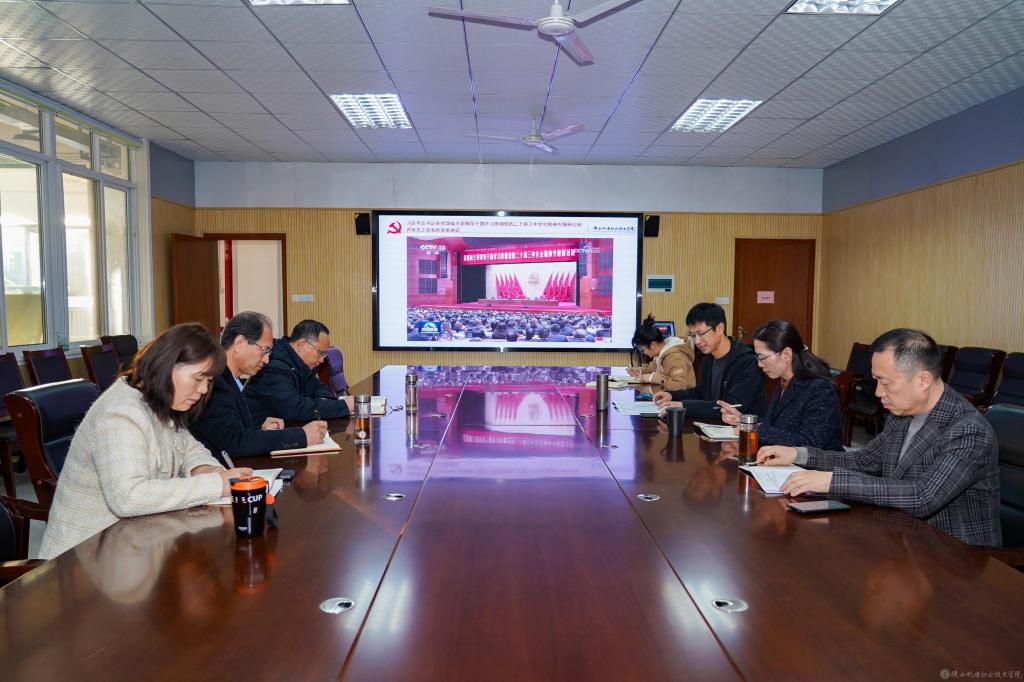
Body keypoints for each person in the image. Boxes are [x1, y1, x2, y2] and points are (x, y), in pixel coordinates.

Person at [757, 328, 1001, 546]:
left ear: (923, 380)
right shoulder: (901, 414)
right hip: (901, 535)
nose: (877, 392)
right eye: (875, 381)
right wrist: (798, 454)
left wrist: (831, 482)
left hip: (955, 556)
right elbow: (864, 461)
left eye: (885, 382)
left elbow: (923, 496)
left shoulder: (968, 429)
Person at [39, 323, 252, 559]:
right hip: (83, 559)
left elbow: (190, 448)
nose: (203, 389)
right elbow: (129, 497)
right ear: (168, 365)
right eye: (199, 378)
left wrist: (206, 469)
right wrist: (216, 484)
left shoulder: (157, 400)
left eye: (209, 381)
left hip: (132, 545)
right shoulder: (121, 413)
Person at [191, 311, 328, 466]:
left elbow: (228, 431)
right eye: (265, 350)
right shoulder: (214, 382)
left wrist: (260, 430)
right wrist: (302, 435)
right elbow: (234, 442)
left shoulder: (229, 378)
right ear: (239, 343)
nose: (267, 359)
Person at [717, 320, 843, 450]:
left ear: (786, 354)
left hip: (817, 462)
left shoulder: (820, 389)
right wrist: (744, 420)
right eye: (757, 357)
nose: (759, 364)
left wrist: (754, 429)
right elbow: (776, 426)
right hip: (782, 458)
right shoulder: (784, 381)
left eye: (762, 357)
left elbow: (811, 443)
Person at [653, 303, 767, 419]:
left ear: (719, 329)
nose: (697, 341)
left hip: (743, 428)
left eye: (701, 334)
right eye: (693, 335)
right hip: (713, 425)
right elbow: (701, 393)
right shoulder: (708, 360)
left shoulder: (747, 362)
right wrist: (672, 396)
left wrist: (683, 405)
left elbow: (731, 406)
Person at [244, 319, 355, 424]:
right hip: (261, 432)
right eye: (321, 353)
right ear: (301, 345)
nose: (322, 360)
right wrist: (344, 406)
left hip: (287, 427)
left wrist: (324, 400)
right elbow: (293, 409)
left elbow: (318, 386)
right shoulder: (274, 367)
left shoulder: (300, 362)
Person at [627, 314, 697, 391]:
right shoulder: (661, 353)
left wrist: (652, 378)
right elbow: (651, 368)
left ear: (653, 345)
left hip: (681, 397)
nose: (643, 353)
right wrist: (639, 371)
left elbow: (681, 386)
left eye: (643, 350)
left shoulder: (675, 357)